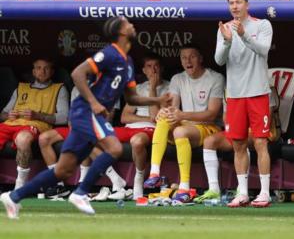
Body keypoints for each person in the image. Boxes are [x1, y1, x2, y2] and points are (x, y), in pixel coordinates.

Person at [1, 16, 170, 219]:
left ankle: (14, 196)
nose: (132, 26)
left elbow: (132, 97)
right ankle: (81, 192)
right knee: (114, 147)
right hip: (85, 112)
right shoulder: (108, 54)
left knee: (63, 170)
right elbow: (77, 74)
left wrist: (158, 99)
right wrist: (94, 102)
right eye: (128, 24)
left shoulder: (129, 62)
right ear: (120, 33)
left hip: (91, 114)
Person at [144, 44, 224, 205]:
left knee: (180, 131)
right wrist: (165, 112)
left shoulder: (215, 78)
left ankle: (184, 187)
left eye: (192, 56)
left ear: (200, 58)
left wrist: (182, 115)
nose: (188, 60)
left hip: (209, 127)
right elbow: (173, 107)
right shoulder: (178, 78)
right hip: (186, 126)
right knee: (164, 118)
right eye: (183, 57)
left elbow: (212, 114)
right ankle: (154, 173)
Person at [214, 0, 273, 207]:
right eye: (231, 3)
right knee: (238, 144)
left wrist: (243, 35)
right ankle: (243, 193)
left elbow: (263, 50)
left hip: (258, 92)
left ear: (247, 4)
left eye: (238, 2)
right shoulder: (224, 29)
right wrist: (228, 41)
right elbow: (219, 60)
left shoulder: (262, 25)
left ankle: (265, 193)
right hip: (235, 95)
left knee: (260, 142)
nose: (235, 6)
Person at [193, 86, 280, 203]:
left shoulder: (265, 88)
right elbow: (226, 117)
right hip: (238, 129)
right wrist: (233, 131)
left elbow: (267, 117)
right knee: (210, 141)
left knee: (245, 140)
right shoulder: (229, 90)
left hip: (260, 132)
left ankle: (245, 189)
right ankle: (213, 189)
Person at [38, 87, 127, 200]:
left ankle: (114, 179)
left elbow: (109, 115)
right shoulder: (77, 88)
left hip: (101, 127)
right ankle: (58, 185)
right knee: (44, 138)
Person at [0, 58, 69, 190]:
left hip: (36, 125)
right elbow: (3, 114)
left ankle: (20, 185)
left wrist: (38, 115)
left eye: (46, 68)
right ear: (33, 71)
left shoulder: (59, 89)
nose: (42, 71)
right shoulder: (21, 88)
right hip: (11, 124)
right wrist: (8, 115)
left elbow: (63, 118)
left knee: (23, 139)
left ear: (52, 71)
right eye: (38, 68)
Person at [116, 54, 169, 199]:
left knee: (137, 141)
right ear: (144, 70)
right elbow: (124, 117)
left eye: (156, 65)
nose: (153, 69)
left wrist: (152, 88)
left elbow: (157, 118)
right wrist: (147, 117)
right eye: (149, 66)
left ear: (162, 68)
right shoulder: (138, 88)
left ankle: (139, 178)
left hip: (152, 129)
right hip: (132, 126)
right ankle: (115, 180)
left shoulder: (170, 87)